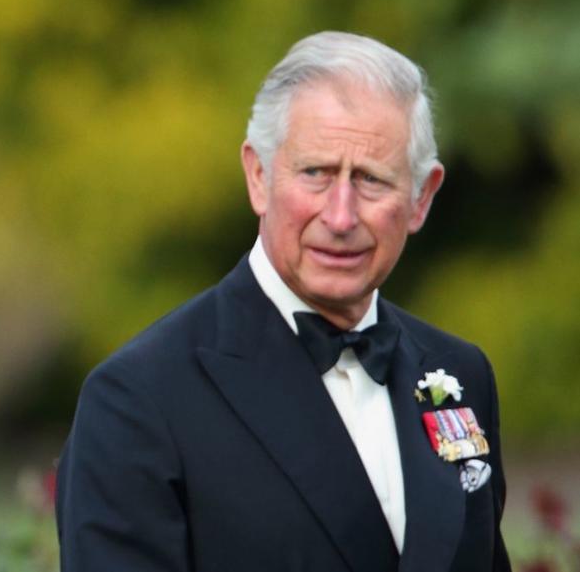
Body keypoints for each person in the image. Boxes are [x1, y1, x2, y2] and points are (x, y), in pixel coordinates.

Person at [56, 31, 510, 572]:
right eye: (316, 173)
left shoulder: (460, 374)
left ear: (420, 199)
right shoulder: (139, 399)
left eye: (370, 180)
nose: (340, 217)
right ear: (258, 176)